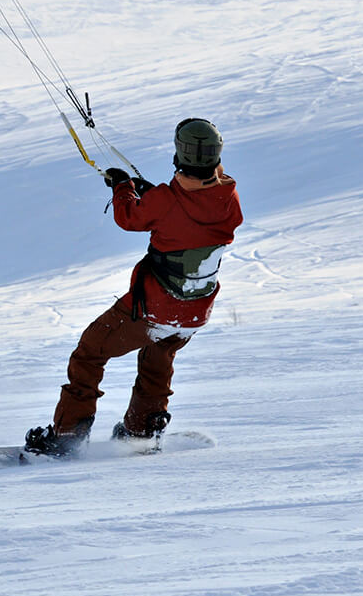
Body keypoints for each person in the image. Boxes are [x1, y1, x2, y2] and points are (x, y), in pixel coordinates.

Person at [24, 118, 244, 457]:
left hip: (156, 306)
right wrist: (155, 194)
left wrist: (123, 187)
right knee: (158, 355)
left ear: (178, 153)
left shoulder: (165, 200)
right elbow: (192, 205)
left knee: (89, 352)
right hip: (195, 311)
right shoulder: (229, 198)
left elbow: (128, 218)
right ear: (217, 156)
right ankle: (142, 430)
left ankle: (66, 437)